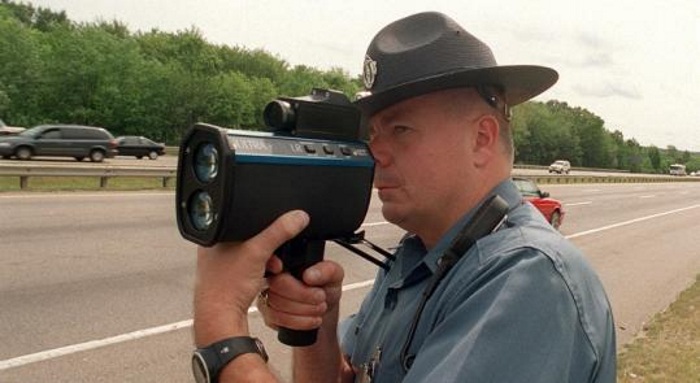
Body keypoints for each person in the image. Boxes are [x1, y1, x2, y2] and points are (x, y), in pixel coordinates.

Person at [192, 11, 617, 383]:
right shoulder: (417, 260)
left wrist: (221, 332)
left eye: (400, 130)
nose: (375, 152)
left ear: (481, 139)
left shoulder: (528, 279)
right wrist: (317, 327)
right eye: (374, 133)